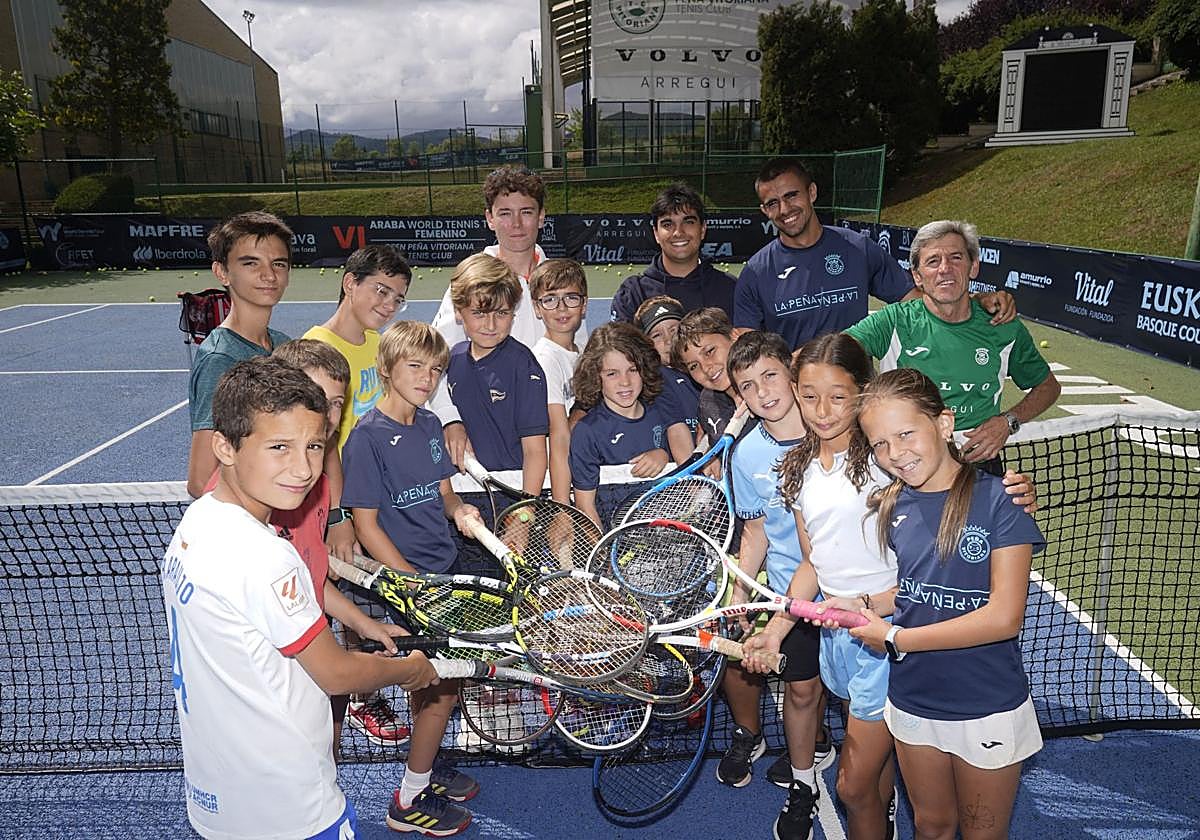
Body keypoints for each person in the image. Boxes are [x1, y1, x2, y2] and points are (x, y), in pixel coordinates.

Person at [162, 356, 439, 840]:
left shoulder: (196, 524)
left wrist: (365, 624)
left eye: (314, 445)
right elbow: (336, 673)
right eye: (279, 447)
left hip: (219, 798)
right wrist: (413, 671)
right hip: (288, 807)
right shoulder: (265, 555)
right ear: (224, 447)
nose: (304, 467)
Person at [851, 367, 1045, 840]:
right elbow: (919, 590)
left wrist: (897, 638)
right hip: (914, 698)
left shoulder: (1001, 500)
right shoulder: (894, 504)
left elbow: (1003, 618)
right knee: (932, 826)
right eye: (881, 444)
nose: (895, 454)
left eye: (905, 433)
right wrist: (867, 603)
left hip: (985, 703)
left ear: (943, 423)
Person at [340, 320, 486, 835]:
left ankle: (424, 766)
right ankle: (408, 800)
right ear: (387, 369)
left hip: (440, 574)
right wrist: (407, 582)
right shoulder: (366, 440)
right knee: (441, 687)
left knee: (440, 688)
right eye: (415, 367)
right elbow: (366, 525)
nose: (427, 378)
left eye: (436, 369)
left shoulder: (428, 426)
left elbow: (442, 493)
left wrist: (459, 510)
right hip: (402, 588)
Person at [716, 331, 833, 840]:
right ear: (738, 396)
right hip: (791, 594)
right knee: (801, 691)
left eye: (769, 376)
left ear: (791, 370)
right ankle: (803, 783)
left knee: (857, 697)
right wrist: (739, 594)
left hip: (856, 594)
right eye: (748, 386)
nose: (763, 392)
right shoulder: (745, 456)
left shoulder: (834, 430)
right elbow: (756, 531)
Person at [845, 220, 1061, 475]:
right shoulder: (892, 320)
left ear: (974, 267)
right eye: (933, 261)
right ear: (917, 276)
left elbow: (1048, 387)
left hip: (978, 464)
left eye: (956, 258)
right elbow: (829, 357)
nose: (945, 269)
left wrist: (1008, 421)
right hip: (905, 465)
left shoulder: (1004, 327)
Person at [733, 158, 1016, 350]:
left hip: (860, 399)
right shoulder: (756, 273)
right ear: (764, 211)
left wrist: (976, 301)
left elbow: (919, 302)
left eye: (792, 196)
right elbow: (747, 351)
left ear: (812, 192)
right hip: (796, 404)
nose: (784, 210)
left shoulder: (857, 248)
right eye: (772, 203)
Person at [429, 164, 585, 466]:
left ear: (541, 217)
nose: (516, 224)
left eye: (526, 212)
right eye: (504, 213)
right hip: (487, 440)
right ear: (489, 218)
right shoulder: (470, 283)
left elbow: (580, 363)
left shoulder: (562, 283)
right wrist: (450, 420)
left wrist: (577, 416)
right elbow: (434, 364)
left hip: (552, 442)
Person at [186, 211, 294, 498]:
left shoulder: (283, 346)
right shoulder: (219, 360)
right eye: (251, 263)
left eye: (278, 264)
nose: (269, 275)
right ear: (222, 272)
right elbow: (200, 480)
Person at [442, 253, 549, 498]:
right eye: (479, 313)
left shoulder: (524, 366)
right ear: (459, 312)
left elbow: (535, 452)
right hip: (464, 495)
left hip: (515, 493)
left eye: (501, 313)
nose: (490, 325)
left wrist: (524, 512)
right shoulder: (451, 361)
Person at [569, 322, 693, 527]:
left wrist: (662, 454)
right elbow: (585, 506)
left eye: (632, 370)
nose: (625, 382)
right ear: (595, 376)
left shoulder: (661, 412)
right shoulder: (586, 431)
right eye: (612, 373)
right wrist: (603, 554)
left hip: (667, 538)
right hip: (614, 540)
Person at [303, 244, 413, 452]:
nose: (390, 306)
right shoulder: (316, 351)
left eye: (398, 300)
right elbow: (318, 436)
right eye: (382, 291)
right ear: (350, 283)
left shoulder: (376, 342)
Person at [610, 182, 738, 322]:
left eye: (688, 222)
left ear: (702, 229)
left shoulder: (731, 288)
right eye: (668, 224)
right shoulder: (634, 293)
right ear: (656, 234)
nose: (678, 232)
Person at [529, 258, 588, 503]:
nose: (562, 308)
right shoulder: (544, 360)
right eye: (550, 299)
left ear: (584, 305)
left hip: (581, 470)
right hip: (559, 483)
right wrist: (562, 506)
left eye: (571, 298)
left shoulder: (583, 353)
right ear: (537, 308)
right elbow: (559, 436)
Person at [634, 295, 702, 444]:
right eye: (657, 335)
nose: (668, 340)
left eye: (674, 330)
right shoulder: (654, 379)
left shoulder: (707, 369)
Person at [671, 307, 745, 443]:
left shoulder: (769, 387)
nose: (705, 368)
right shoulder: (707, 404)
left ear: (734, 336)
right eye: (693, 366)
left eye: (709, 351)